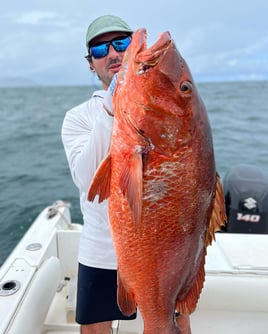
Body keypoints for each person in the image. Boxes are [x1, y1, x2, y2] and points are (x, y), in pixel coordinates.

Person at [61, 15, 136, 334]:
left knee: (173, 319)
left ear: (135, 50)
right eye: (100, 49)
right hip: (102, 248)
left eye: (122, 43)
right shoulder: (78, 117)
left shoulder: (164, 105)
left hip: (162, 242)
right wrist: (110, 107)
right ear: (91, 63)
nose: (113, 54)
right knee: (93, 329)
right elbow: (88, 179)